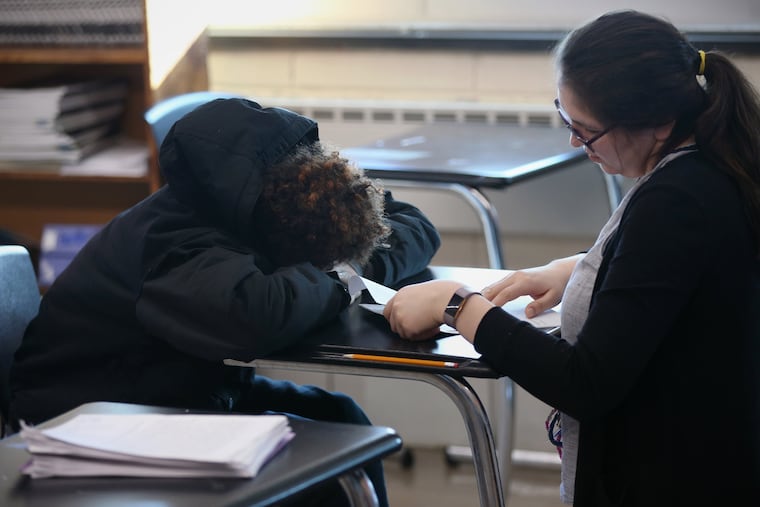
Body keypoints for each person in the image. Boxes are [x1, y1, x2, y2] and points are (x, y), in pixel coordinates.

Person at [384, 10, 760, 507]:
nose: (575, 143)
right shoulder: (718, 162)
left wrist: (456, 306)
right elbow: (675, 270)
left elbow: (584, 383)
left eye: (586, 130)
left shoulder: (676, 200)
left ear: (659, 121)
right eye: (567, 120)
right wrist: (580, 267)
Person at [10, 97, 441, 507]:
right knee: (325, 477)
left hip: (180, 390)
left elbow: (411, 226)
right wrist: (345, 278)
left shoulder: (287, 198)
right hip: (92, 416)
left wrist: (350, 264)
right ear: (270, 208)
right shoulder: (173, 243)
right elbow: (253, 315)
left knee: (342, 420)